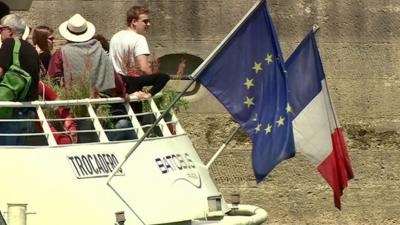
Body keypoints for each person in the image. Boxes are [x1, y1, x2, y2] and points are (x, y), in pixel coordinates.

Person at [109, 5, 170, 115]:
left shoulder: (115, 36)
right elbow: (144, 68)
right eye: (145, 21)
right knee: (137, 120)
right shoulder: (139, 39)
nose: (148, 24)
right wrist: (152, 82)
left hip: (116, 85)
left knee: (118, 118)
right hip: (132, 85)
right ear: (134, 22)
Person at [47, 13, 115, 95]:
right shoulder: (99, 49)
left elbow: (52, 79)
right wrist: (122, 92)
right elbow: (113, 75)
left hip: (74, 101)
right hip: (101, 100)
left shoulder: (61, 52)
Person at [0, 14, 40, 145]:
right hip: (27, 111)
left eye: (1, 29)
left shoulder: (9, 44)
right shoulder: (32, 50)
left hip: (9, 112)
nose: (0, 33)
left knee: (5, 157)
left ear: (10, 31)